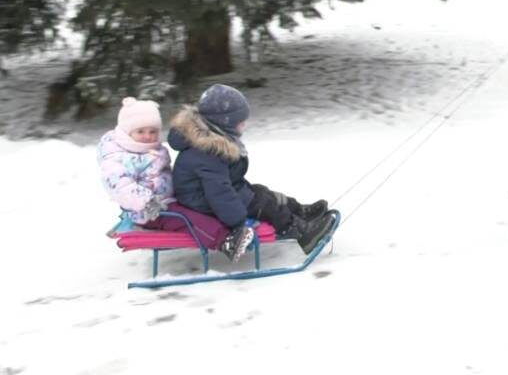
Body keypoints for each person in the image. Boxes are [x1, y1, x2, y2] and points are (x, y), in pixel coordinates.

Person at [168, 84, 337, 254]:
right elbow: (219, 193)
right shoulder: (208, 151)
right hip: (202, 202)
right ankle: (302, 232)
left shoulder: (213, 139)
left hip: (216, 193)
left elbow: (226, 182)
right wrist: (238, 220)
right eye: (240, 121)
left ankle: (300, 212)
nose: (244, 125)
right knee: (263, 204)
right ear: (224, 121)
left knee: (262, 192)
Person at [98, 97, 254, 261]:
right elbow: (119, 186)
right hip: (150, 211)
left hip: (168, 201)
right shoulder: (117, 157)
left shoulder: (152, 150)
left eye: (152, 132)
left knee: (200, 210)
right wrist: (147, 200)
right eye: (140, 132)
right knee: (188, 220)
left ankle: (229, 227)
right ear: (127, 132)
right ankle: (225, 242)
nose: (147, 137)